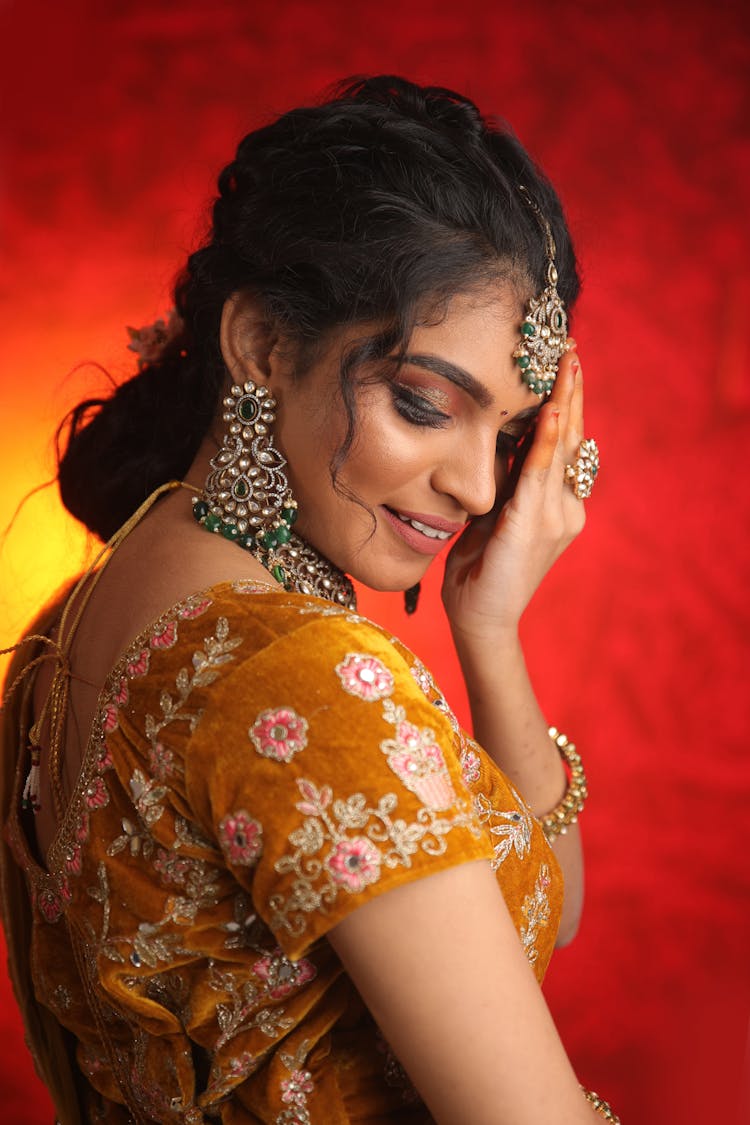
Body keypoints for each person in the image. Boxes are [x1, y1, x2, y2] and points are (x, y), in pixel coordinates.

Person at [0, 76, 614, 1124]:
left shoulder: (95, 603)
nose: (477, 485)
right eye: (427, 405)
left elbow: (543, 911)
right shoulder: (303, 683)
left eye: (508, 435)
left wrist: (486, 626)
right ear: (264, 348)